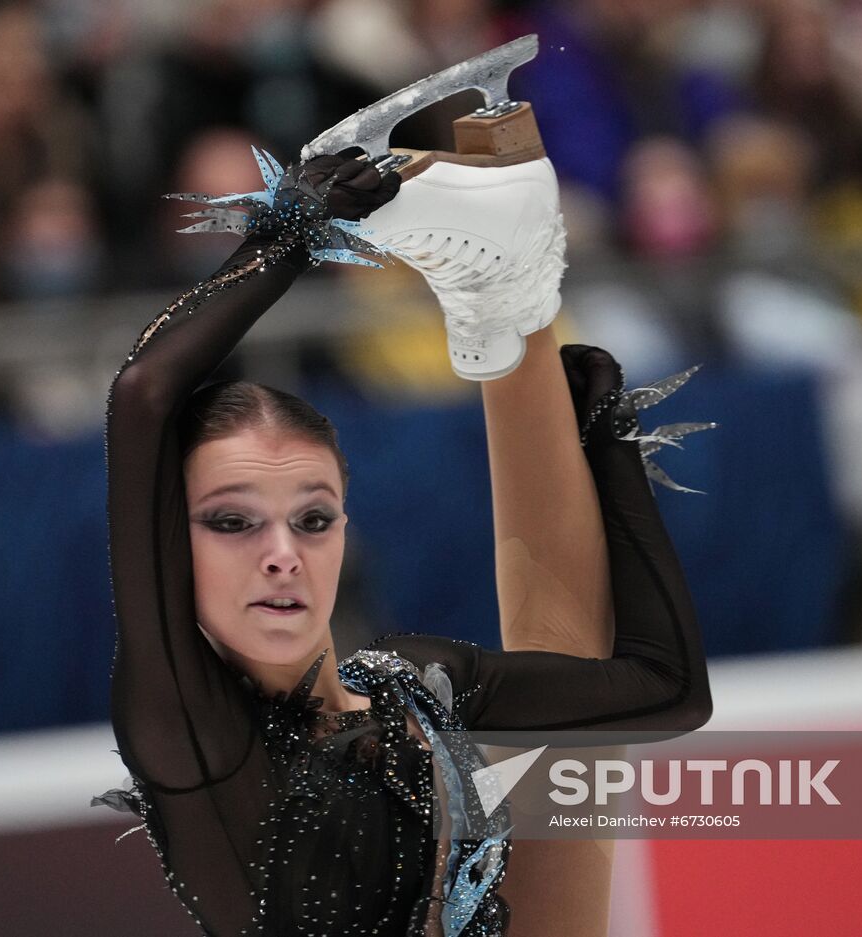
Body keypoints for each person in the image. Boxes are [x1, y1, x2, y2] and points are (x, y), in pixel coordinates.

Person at [94, 148, 712, 936]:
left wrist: (611, 447)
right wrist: (290, 231)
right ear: (174, 549)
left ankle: (502, 269)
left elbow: (667, 690)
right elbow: (143, 395)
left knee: (571, 752)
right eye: (232, 521)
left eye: (312, 518)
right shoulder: (195, 736)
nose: (280, 551)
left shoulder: (418, 683)